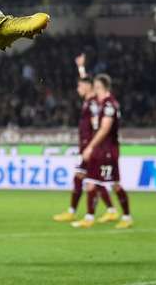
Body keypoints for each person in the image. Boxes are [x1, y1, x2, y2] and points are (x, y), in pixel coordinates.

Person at [53, 54, 115, 222]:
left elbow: (89, 83)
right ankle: (109, 209)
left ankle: (79, 213)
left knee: (88, 179)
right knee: (90, 179)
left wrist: (82, 69)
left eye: (79, 86)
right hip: (86, 145)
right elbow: (85, 81)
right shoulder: (88, 100)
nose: (77, 88)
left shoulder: (95, 99)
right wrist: (80, 68)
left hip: (92, 146)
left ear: (89, 87)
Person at [72, 74, 133, 229]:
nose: (94, 90)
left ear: (102, 87)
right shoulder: (100, 104)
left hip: (108, 151)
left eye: (96, 87)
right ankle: (89, 217)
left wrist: (90, 146)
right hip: (99, 150)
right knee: (91, 183)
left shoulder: (109, 105)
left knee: (115, 185)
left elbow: (105, 129)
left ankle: (126, 217)